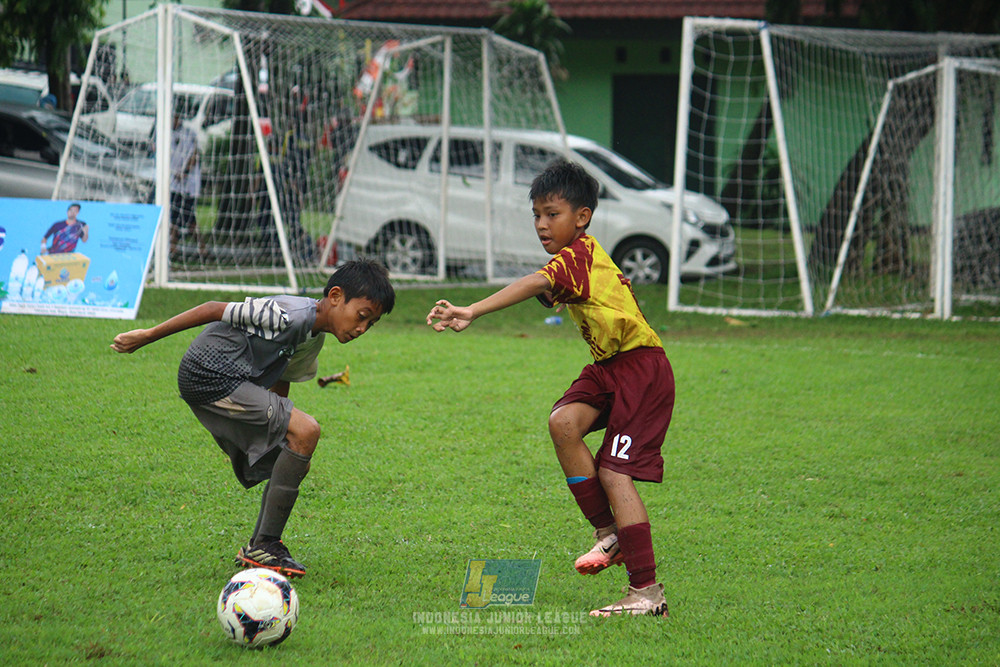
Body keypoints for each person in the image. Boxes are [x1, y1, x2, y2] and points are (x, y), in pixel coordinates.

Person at [426, 160, 674, 617]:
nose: (541, 224)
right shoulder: (576, 259)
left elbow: (535, 282)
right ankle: (609, 533)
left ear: (582, 217)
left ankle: (646, 593)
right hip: (609, 367)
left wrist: (473, 310)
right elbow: (546, 285)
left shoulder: (577, 256)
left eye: (552, 213)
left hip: (641, 370)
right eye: (536, 214)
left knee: (615, 473)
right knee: (563, 423)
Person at [111, 259, 396, 578]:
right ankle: (267, 543)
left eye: (370, 324)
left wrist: (279, 432)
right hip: (210, 374)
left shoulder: (313, 337)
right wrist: (146, 336)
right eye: (361, 316)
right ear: (335, 296)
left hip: (229, 383)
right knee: (308, 430)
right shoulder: (287, 315)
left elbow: (282, 378)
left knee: (296, 453)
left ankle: (260, 547)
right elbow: (211, 308)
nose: (361, 329)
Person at [169, 113, 204, 258]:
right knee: (174, 217)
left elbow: (195, 154)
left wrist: (185, 171)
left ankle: (202, 248)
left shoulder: (188, 134)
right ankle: (173, 248)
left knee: (189, 220)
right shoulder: (165, 133)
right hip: (173, 183)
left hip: (188, 185)